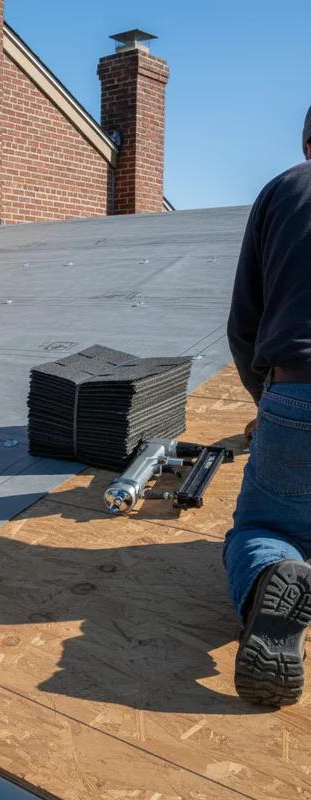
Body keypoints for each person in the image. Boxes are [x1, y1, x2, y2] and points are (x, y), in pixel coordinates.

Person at [224, 106, 311, 706]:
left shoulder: (283, 191)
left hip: (298, 390)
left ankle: (271, 578)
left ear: (308, 140)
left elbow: (243, 325)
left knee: (265, 528)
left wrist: (268, 405)